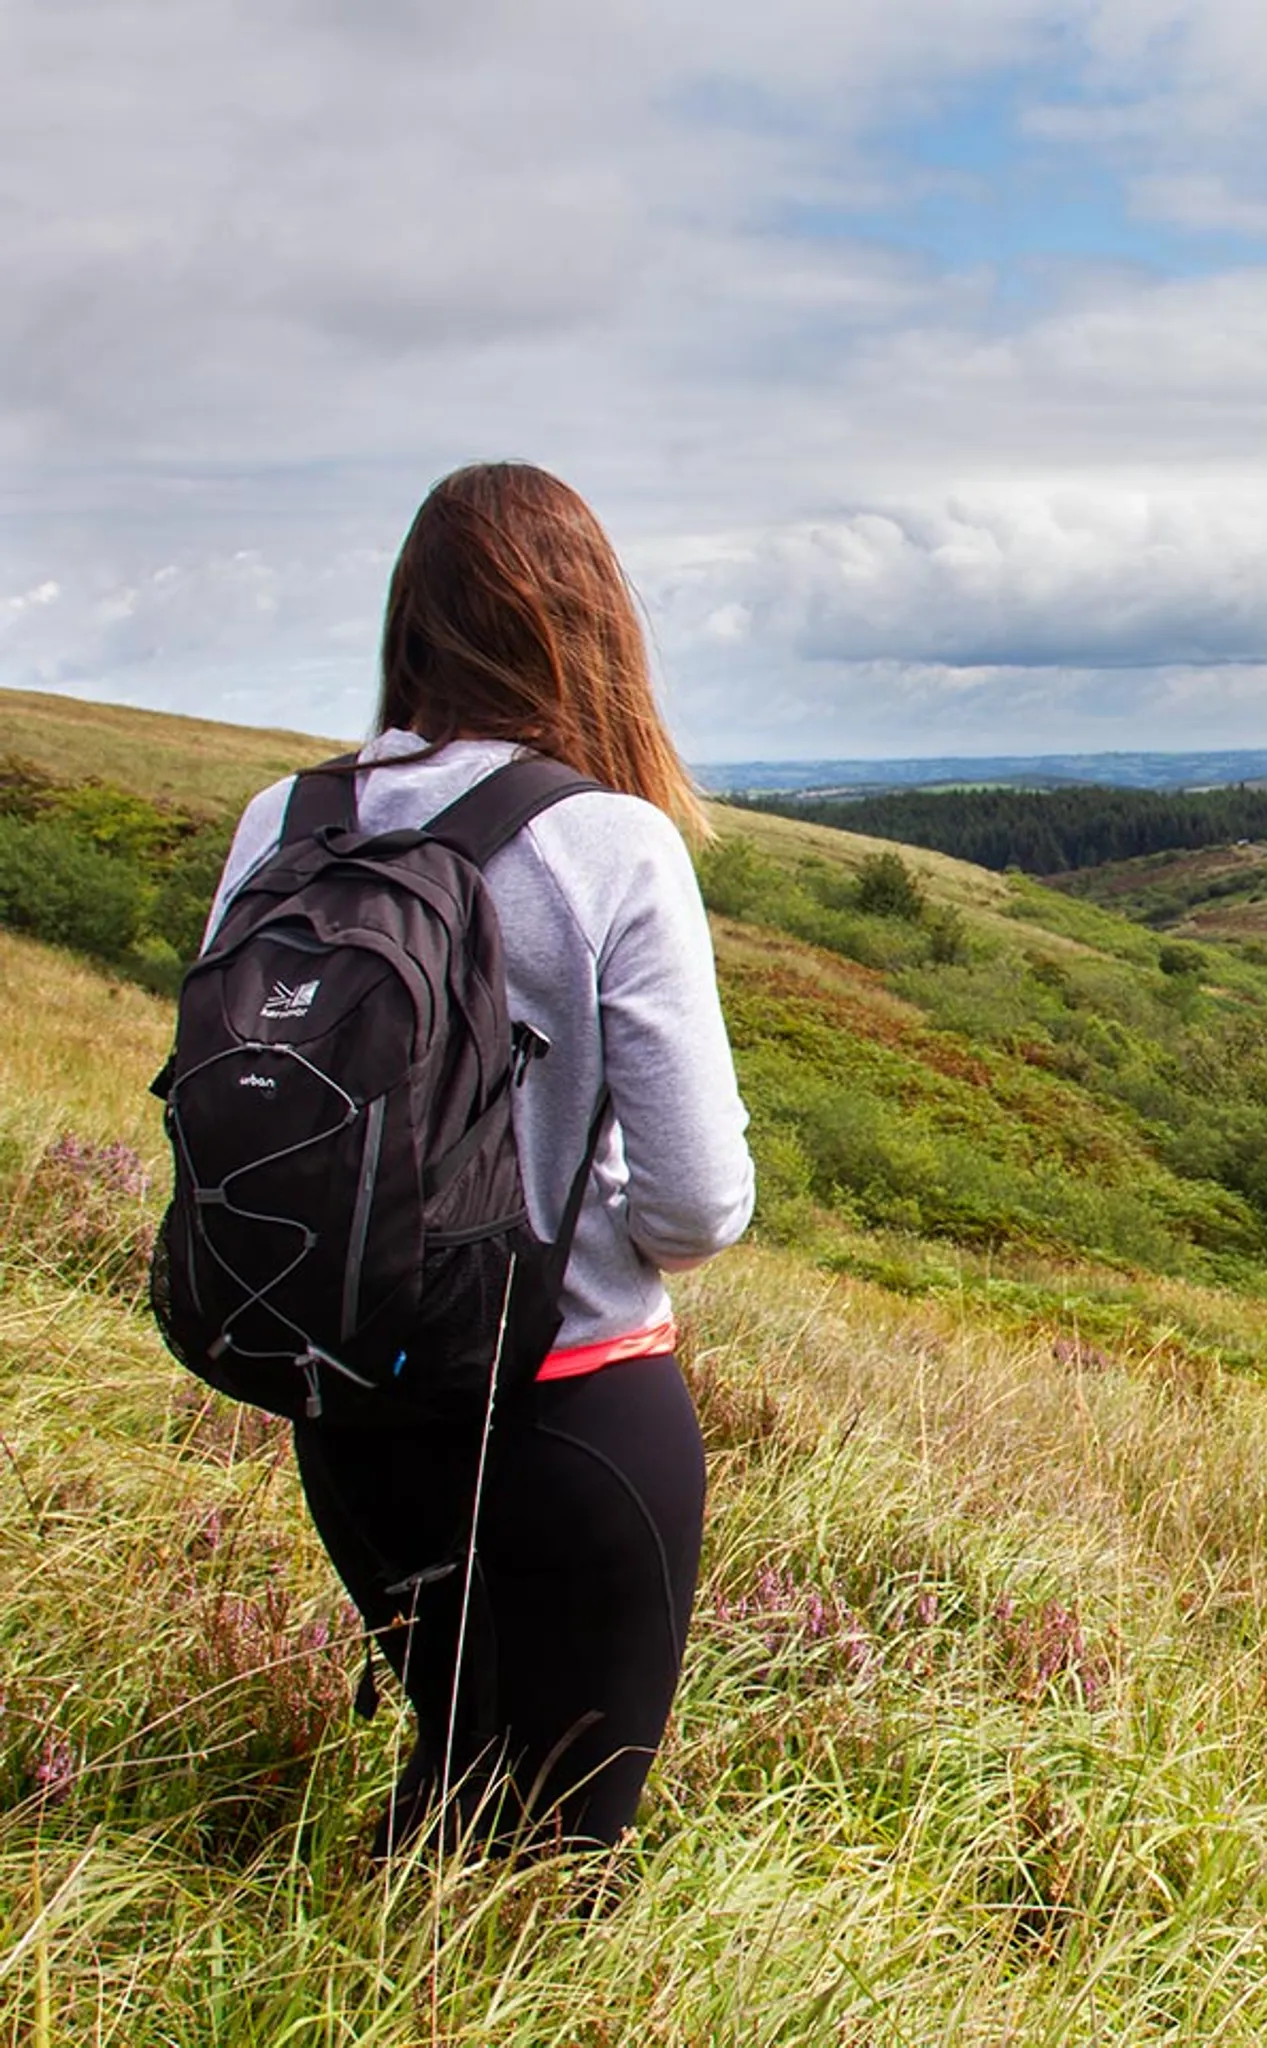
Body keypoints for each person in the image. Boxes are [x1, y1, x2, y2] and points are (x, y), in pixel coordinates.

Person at [201, 461, 755, 1853]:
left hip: (349, 1398)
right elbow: (699, 1196)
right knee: (566, 1856)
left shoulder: (285, 822)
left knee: (455, 1776)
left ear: (409, 621)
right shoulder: (608, 843)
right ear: (593, 628)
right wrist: (585, 1238)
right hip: (569, 1403)